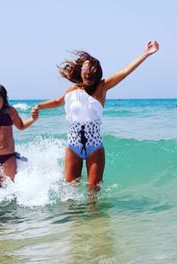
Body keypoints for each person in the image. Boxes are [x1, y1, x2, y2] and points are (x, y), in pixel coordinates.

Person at [33, 41, 159, 191]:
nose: (88, 71)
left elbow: (125, 71)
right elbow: (58, 101)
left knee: (93, 192)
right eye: (85, 68)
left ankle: (95, 215)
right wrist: (39, 106)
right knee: (70, 192)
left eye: (91, 69)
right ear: (81, 71)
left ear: (97, 72)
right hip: (73, 146)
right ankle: (75, 215)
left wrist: (145, 53)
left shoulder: (102, 87)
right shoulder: (73, 89)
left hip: (95, 147)